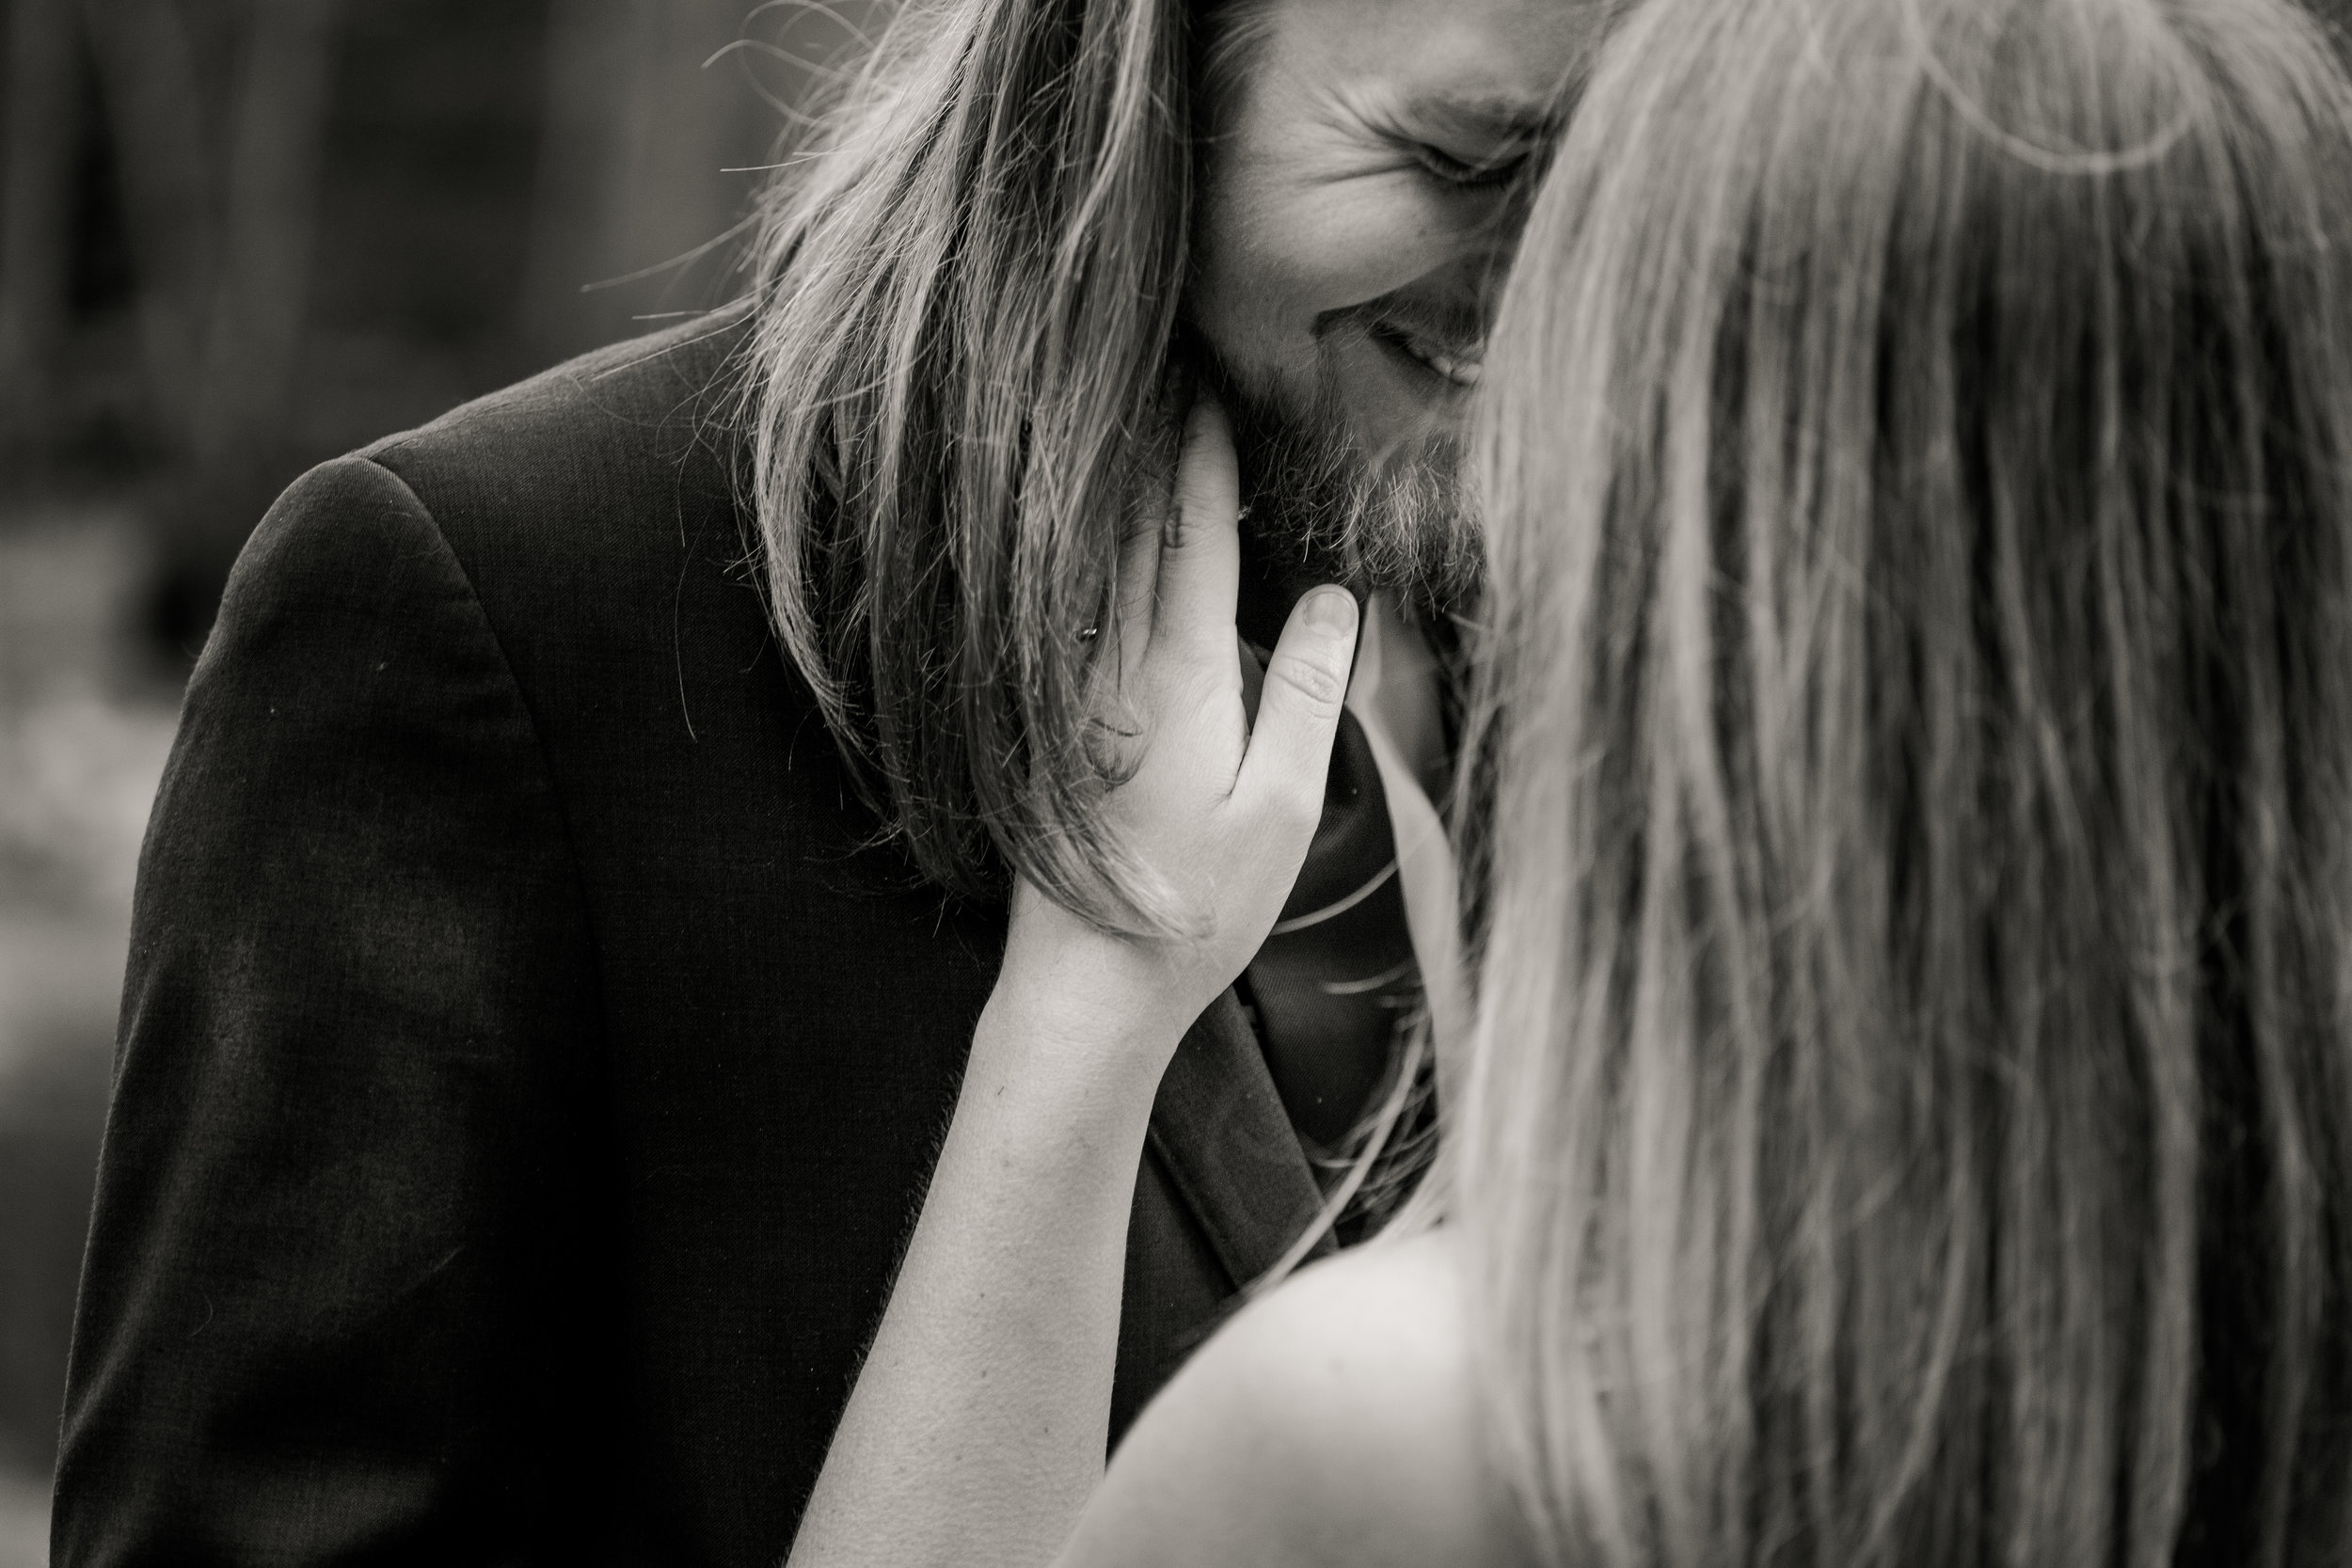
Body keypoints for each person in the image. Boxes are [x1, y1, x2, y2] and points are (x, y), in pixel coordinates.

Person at [779, 0, 2352, 1562]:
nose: (1540, 339)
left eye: (1618, 260)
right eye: (1473, 158)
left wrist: (1092, 999)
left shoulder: (1382, 1439)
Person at [50, 0, 1602, 1563]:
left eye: (1631, 173)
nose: (1560, 278)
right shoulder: (494, 605)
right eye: (1462, 158)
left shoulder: (1593, 646)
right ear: (1150, 69)